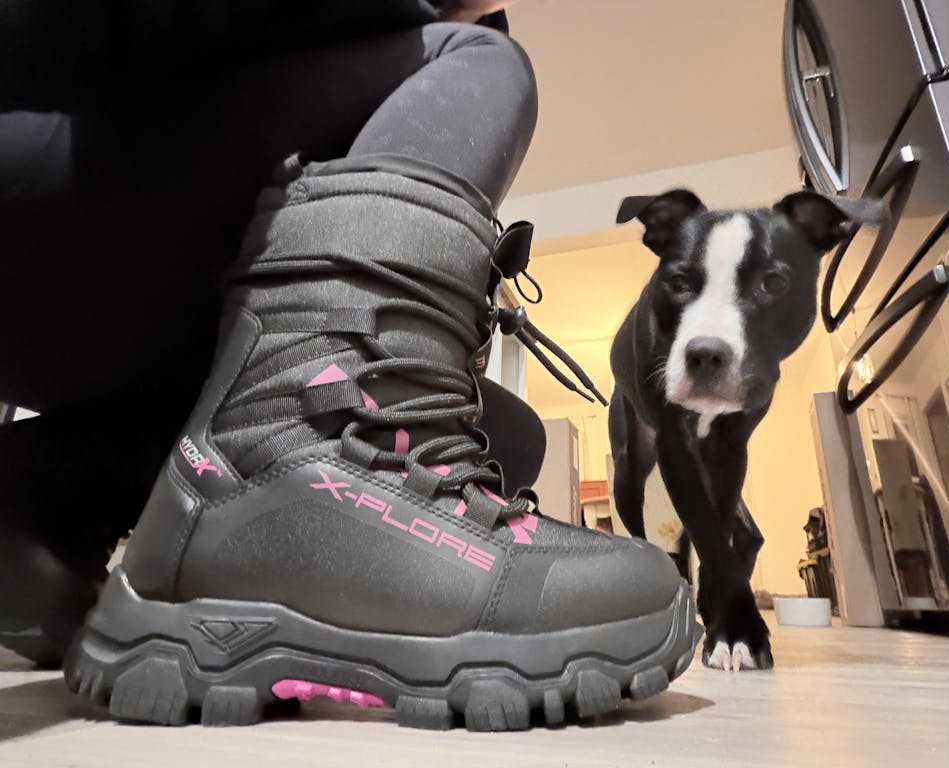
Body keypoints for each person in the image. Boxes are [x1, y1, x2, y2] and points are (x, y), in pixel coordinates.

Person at [0, 0, 698, 731]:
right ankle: (289, 475)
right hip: (42, 157)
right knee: (479, 68)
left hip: (119, 305)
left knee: (508, 432)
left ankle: (41, 497)